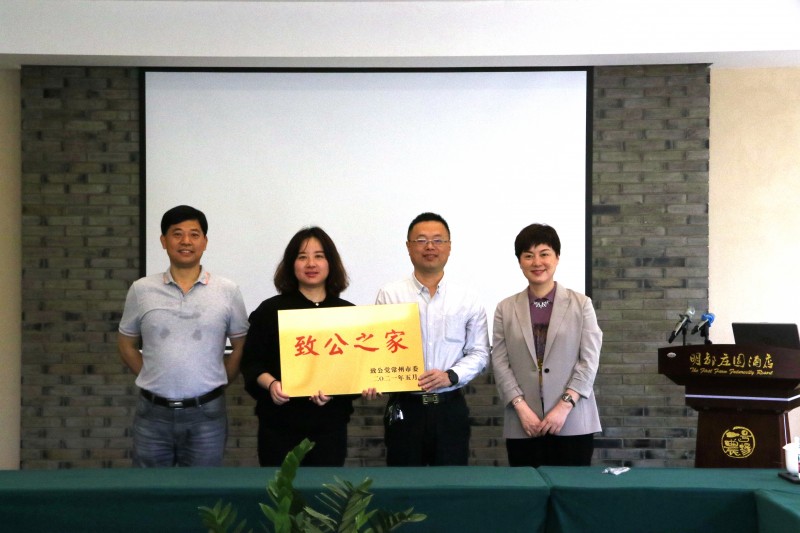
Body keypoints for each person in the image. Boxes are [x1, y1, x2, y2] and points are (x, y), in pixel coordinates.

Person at [118, 205, 249, 467]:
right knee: (150, 487)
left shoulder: (228, 291)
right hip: (152, 414)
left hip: (207, 414)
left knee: (203, 488)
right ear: (163, 241)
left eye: (194, 234)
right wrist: (152, 375)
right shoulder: (141, 290)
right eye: (177, 234)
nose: (186, 241)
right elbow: (126, 342)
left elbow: (240, 345)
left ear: (205, 242)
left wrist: (219, 380)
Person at [241, 227, 374, 467]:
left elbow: (356, 370)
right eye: (302, 257)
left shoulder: (347, 313)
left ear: (330, 263)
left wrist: (347, 388)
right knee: (281, 490)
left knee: (325, 489)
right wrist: (271, 384)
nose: (311, 263)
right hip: (279, 426)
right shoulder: (270, 310)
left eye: (319, 256)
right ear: (291, 264)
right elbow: (251, 363)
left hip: (330, 427)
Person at [375, 212, 490, 466]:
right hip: (405, 408)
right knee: (404, 483)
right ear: (408, 247)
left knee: (450, 484)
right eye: (421, 240)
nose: (430, 246)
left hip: (450, 409)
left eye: (438, 240)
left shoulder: (467, 299)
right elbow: (380, 350)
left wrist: (451, 375)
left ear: (449, 247)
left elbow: (480, 353)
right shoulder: (390, 295)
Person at [491, 223, 602, 467]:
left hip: (572, 420)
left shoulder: (581, 304)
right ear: (519, 262)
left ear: (557, 258)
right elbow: (500, 362)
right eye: (528, 256)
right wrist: (521, 408)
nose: (537, 262)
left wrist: (564, 405)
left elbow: (589, 360)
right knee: (527, 488)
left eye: (544, 254)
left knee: (571, 488)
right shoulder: (505, 308)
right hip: (524, 423)